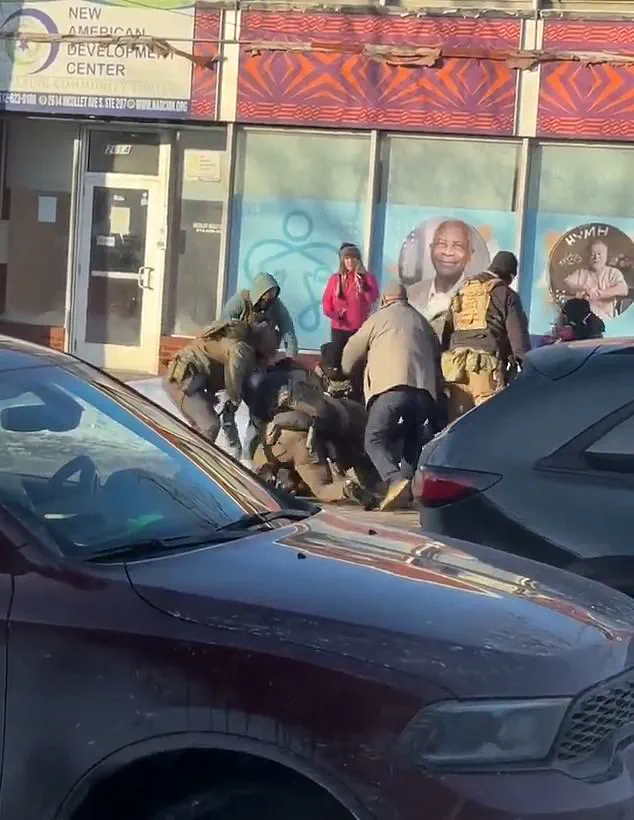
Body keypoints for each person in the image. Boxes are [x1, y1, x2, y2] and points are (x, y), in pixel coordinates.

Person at [341, 283, 441, 512]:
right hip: (424, 393)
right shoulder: (422, 322)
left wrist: (346, 370)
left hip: (391, 389)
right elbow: (437, 353)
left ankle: (394, 480)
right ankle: (406, 494)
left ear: (385, 300)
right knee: (412, 442)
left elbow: (351, 352)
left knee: (373, 439)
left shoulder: (379, 318)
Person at [245, 360, 375, 507]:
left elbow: (258, 420)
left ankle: (265, 484)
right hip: (309, 436)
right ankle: (345, 487)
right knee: (322, 485)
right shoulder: (307, 382)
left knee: (259, 470)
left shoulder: (266, 383)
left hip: (279, 440)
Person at [441, 250, 531, 421]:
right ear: (510, 275)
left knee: (457, 426)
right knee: (488, 423)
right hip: (485, 368)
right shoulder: (505, 293)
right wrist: (526, 368)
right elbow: (518, 339)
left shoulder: (463, 290)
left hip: (454, 367)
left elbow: (447, 331)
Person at [163, 320, 275, 447]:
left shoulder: (231, 338)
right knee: (210, 426)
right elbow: (234, 374)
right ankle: (191, 458)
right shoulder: (240, 348)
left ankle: (185, 454)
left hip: (186, 379)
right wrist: (234, 398)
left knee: (200, 431)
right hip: (183, 380)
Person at [405, 220, 475, 336]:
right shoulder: (411, 294)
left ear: (470, 254)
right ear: (431, 249)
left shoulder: (476, 297)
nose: (448, 252)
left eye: (457, 246)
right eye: (442, 244)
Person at [322, 243, 379, 369]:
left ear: (358, 260)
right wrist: (335, 315)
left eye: (353, 258)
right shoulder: (336, 279)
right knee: (337, 359)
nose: (349, 261)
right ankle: (336, 378)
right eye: (346, 258)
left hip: (359, 327)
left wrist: (364, 287)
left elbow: (373, 298)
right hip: (339, 327)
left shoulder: (367, 278)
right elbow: (326, 302)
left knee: (356, 361)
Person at [222, 272, 298, 357]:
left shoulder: (277, 306)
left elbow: (288, 333)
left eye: (272, 299)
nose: (269, 303)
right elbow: (224, 323)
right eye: (267, 300)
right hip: (241, 348)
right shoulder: (241, 300)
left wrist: (290, 358)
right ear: (259, 296)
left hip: (264, 350)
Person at [564, 240, 628, 322]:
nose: (596, 257)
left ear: (605, 256)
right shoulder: (581, 273)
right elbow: (565, 283)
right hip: (582, 318)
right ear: (588, 257)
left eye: (599, 254)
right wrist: (584, 288)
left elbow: (623, 289)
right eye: (592, 254)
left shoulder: (613, 272)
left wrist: (601, 293)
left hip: (605, 318)